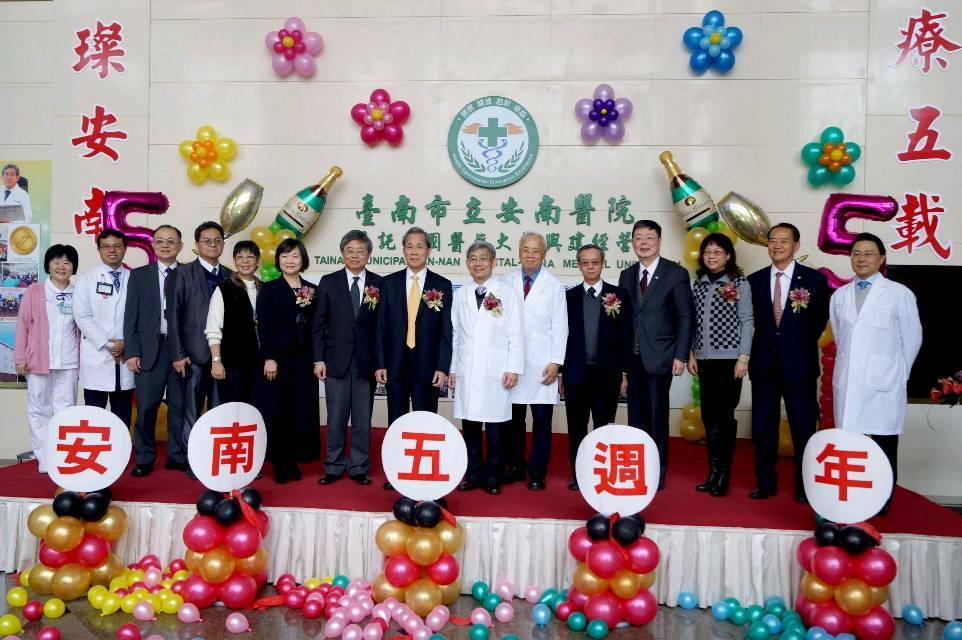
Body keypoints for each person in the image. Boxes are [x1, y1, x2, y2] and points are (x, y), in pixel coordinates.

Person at [830, 232, 922, 514]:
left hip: (884, 382)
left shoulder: (899, 294)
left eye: (868, 253)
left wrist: (897, 374)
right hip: (849, 381)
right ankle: (853, 496)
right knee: (851, 442)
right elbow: (841, 336)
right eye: (856, 253)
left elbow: (912, 338)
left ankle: (883, 499)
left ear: (882, 258)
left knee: (884, 442)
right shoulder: (840, 296)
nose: (861, 259)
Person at [748, 223, 829, 503]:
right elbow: (751, 321)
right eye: (773, 240)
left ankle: (804, 487)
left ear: (796, 245)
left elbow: (818, 320)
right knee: (763, 426)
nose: (777, 245)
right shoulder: (755, 280)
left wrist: (796, 344)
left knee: (803, 427)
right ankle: (765, 483)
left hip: (800, 365)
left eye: (784, 240)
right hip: (764, 366)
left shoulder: (814, 280)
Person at [618, 220, 694, 489]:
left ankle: (657, 472)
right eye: (638, 237)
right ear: (632, 243)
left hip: (661, 356)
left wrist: (681, 355)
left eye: (649, 237)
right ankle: (638, 467)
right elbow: (624, 319)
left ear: (659, 241)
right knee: (635, 417)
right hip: (633, 358)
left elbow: (686, 316)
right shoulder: (627, 275)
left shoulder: (675, 273)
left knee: (657, 417)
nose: (644, 242)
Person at [375, 226, 453, 490]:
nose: (414, 251)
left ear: (428, 250)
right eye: (410, 246)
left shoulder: (441, 285)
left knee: (425, 419)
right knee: (396, 418)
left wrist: (443, 366)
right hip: (395, 364)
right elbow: (381, 327)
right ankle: (395, 471)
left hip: (428, 366)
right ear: (403, 250)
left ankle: (423, 472)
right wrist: (381, 363)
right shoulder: (389, 283)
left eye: (420, 246)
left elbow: (446, 331)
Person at [450, 241, 524, 496]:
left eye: (483, 258)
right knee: (470, 426)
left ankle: (493, 476)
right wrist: (453, 369)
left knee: (495, 428)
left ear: (494, 262)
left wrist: (514, 368)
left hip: (497, 371)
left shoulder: (507, 293)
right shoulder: (461, 294)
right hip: (467, 370)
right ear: (467, 263)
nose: (478, 263)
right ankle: (473, 474)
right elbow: (456, 334)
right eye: (473, 259)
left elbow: (516, 334)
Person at [314, 231, 382, 486]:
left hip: (366, 361)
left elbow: (381, 327)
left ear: (368, 254)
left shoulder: (378, 283)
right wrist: (318, 359)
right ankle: (333, 465)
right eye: (350, 251)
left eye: (360, 251)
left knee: (363, 419)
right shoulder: (328, 281)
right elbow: (318, 324)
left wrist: (380, 363)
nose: (355, 255)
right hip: (335, 360)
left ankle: (358, 466)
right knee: (336, 418)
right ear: (342, 253)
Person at [687, 233, 753, 497]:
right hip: (704, 360)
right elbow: (693, 321)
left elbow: (747, 320)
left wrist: (743, 358)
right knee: (709, 416)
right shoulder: (700, 284)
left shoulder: (739, 282)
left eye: (717, 251)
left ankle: (724, 473)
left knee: (724, 417)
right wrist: (691, 353)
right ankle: (713, 471)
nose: (711, 256)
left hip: (730, 361)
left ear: (728, 256)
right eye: (707, 252)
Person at [165, 221, 232, 478]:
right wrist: (178, 354)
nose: (213, 244)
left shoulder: (230, 275)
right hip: (192, 356)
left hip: (222, 357)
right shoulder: (182, 273)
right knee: (191, 411)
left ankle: (215, 459)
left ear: (223, 244)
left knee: (218, 409)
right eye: (207, 240)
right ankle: (192, 460)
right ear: (197, 245)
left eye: (217, 240)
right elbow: (173, 317)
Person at [561, 244, 629, 491]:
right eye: (585, 262)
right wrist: (561, 373)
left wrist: (624, 373)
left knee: (603, 428)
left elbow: (625, 336)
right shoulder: (568, 297)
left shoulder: (618, 295)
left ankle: (601, 475)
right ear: (578, 265)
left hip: (607, 375)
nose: (590, 267)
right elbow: (560, 337)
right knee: (576, 428)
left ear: (603, 264)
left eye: (595, 262)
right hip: (576, 375)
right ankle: (579, 475)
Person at [503, 232, 567, 490]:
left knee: (542, 421)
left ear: (544, 254)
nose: (530, 255)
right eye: (525, 250)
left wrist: (556, 361)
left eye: (536, 250)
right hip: (513, 363)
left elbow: (560, 327)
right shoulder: (505, 281)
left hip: (543, 364)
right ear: (519, 252)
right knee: (514, 420)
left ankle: (538, 471)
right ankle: (516, 466)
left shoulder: (554, 285)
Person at [255, 238, 320, 484]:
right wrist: (268, 358)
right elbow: (263, 327)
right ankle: (280, 462)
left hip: (304, 360)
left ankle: (296, 457)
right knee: (278, 410)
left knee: (300, 409)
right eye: (284, 256)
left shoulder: (312, 289)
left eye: (294, 256)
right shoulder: (269, 289)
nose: (289, 260)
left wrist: (317, 360)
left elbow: (317, 328)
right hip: (278, 360)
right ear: (278, 260)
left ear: (303, 259)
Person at [124, 225, 186, 477]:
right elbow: (130, 316)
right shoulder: (139, 275)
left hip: (181, 349)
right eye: (160, 241)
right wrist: (131, 351)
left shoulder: (188, 273)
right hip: (150, 349)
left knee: (179, 406)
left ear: (180, 246)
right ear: (153, 245)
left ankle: (177, 455)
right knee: (147, 407)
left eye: (171, 241)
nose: (165, 245)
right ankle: (144, 457)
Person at [14, 244, 80, 473]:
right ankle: (43, 456)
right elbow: (22, 326)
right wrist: (20, 357)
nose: (61, 266)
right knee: (39, 408)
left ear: (73, 267)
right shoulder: (34, 291)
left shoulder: (78, 293)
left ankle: (62, 455)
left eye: (67, 262)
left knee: (66, 409)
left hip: (69, 361)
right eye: (56, 261)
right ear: (48, 265)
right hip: (38, 360)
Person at [74, 230, 134, 424]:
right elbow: (82, 316)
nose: (112, 250)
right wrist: (110, 344)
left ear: (125, 248)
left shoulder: (135, 278)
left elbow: (141, 317)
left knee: (122, 416)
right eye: (106, 246)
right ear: (99, 249)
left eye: (117, 246)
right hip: (97, 354)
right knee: (94, 416)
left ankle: (121, 446)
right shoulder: (87, 279)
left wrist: (126, 343)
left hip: (125, 356)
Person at [206, 240, 262, 404]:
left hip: (259, 365)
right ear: (235, 261)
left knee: (257, 411)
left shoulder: (265, 289)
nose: (245, 261)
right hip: (232, 365)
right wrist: (216, 361)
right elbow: (213, 328)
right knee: (233, 410)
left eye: (250, 257)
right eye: (240, 257)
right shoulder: (223, 289)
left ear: (258, 262)